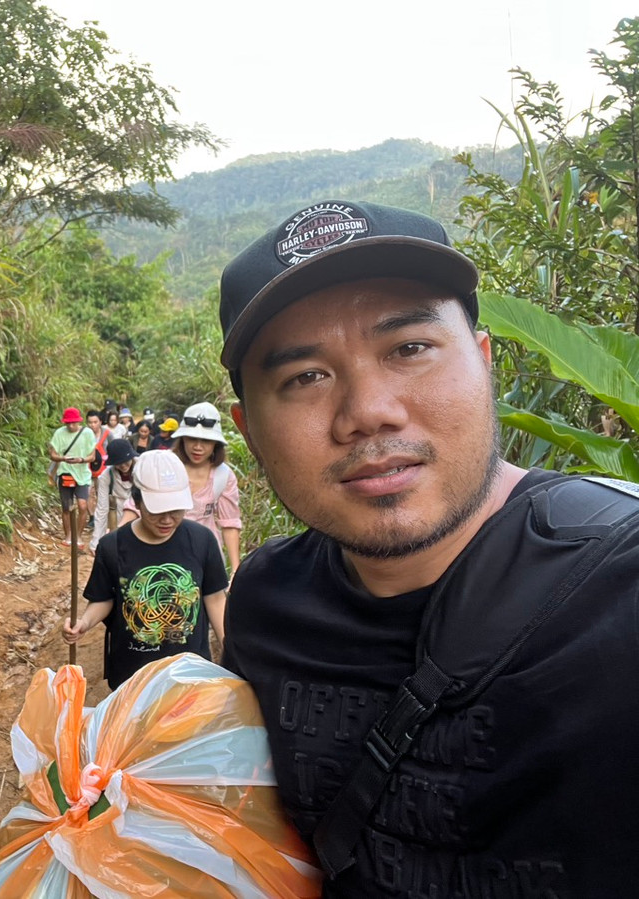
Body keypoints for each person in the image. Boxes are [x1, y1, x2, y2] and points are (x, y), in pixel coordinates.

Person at [216, 199, 639, 895]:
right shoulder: (266, 602)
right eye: (304, 377)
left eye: (408, 348)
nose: (368, 411)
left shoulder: (618, 590)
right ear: (249, 429)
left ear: (482, 362)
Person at [63, 450, 228, 690]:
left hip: (190, 674)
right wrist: (84, 623)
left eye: (176, 510)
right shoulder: (112, 546)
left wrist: (230, 648)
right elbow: (105, 598)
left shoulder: (202, 540)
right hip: (133, 675)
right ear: (137, 501)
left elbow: (214, 598)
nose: (167, 520)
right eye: (157, 511)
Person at [169, 402, 244, 574]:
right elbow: (137, 507)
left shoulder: (223, 476)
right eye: (192, 439)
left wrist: (235, 569)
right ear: (183, 439)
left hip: (205, 554)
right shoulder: (166, 466)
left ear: (215, 444)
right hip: (165, 551)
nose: (198, 447)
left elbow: (229, 523)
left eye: (206, 441)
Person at [47, 407, 96, 547]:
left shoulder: (87, 433)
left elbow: (92, 457)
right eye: (68, 423)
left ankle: (78, 536)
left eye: (73, 423)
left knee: (82, 505)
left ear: (78, 421)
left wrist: (81, 460)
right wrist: (63, 458)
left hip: (82, 474)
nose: (70, 426)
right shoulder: (59, 433)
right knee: (66, 507)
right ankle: (68, 535)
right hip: (65, 472)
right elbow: (52, 454)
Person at [89, 437, 137, 553]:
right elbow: (102, 508)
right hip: (118, 516)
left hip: (140, 515)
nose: (124, 466)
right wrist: (96, 542)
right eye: (119, 463)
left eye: (126, 461)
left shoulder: (142, 468)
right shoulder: (107, 476)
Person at [85, 410, 110, 552]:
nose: (92, 425)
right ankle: (92, 517)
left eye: (95, 422)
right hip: (87, 469)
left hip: (103, 470)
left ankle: (102, 520)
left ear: (100, 422)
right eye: (90, 422)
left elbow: (112, 447)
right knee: (88, 493)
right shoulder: (84, 435)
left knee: (102, 495)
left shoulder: (108, 434)